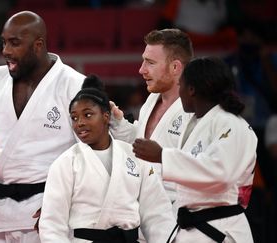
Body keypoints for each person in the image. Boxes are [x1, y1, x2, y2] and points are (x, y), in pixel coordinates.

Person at [0, 11, 85, 242]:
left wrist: (66, 204)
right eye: (4, 42)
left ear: (38, 45)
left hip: (48, 209)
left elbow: (92, 153)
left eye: (15, 43)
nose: (6, 51)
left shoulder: (74, 85)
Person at [132, 57, 257, 242]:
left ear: (191, 90)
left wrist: (162, 156)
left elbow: (222, 173)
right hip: (192, 226)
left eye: (180, 85)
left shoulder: (232, 124)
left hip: (220, 228)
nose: (179, 91)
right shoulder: (198, 123)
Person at [39, 75, 176, 243]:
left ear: (106, 116)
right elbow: (52, 225)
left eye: (87, 115)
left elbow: (157, 214)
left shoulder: (135, 156)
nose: (79, 123)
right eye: (74, 118)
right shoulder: (65, 163)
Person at [111, 28, 193, 205]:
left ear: (175, 67)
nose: (142, 70)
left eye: (150, 63)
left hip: (177, 211)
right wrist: (117, 122)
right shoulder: (152, 99)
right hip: (143, 205)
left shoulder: (195, 110)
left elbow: (199, 168)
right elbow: (143, 146)